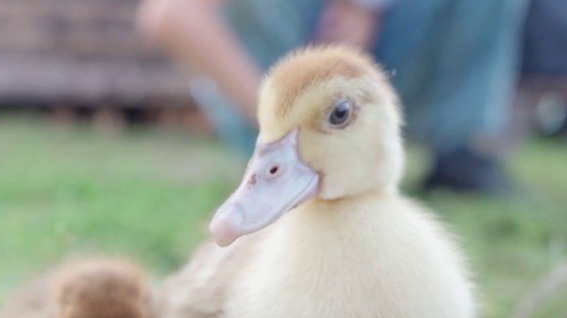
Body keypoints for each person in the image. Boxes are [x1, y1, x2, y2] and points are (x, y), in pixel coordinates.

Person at [136, 0, 533, 195]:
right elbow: (169, 14)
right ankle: (283, 145)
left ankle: (460, 150)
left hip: (380, 61)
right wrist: (283, 127)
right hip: (268, 96)